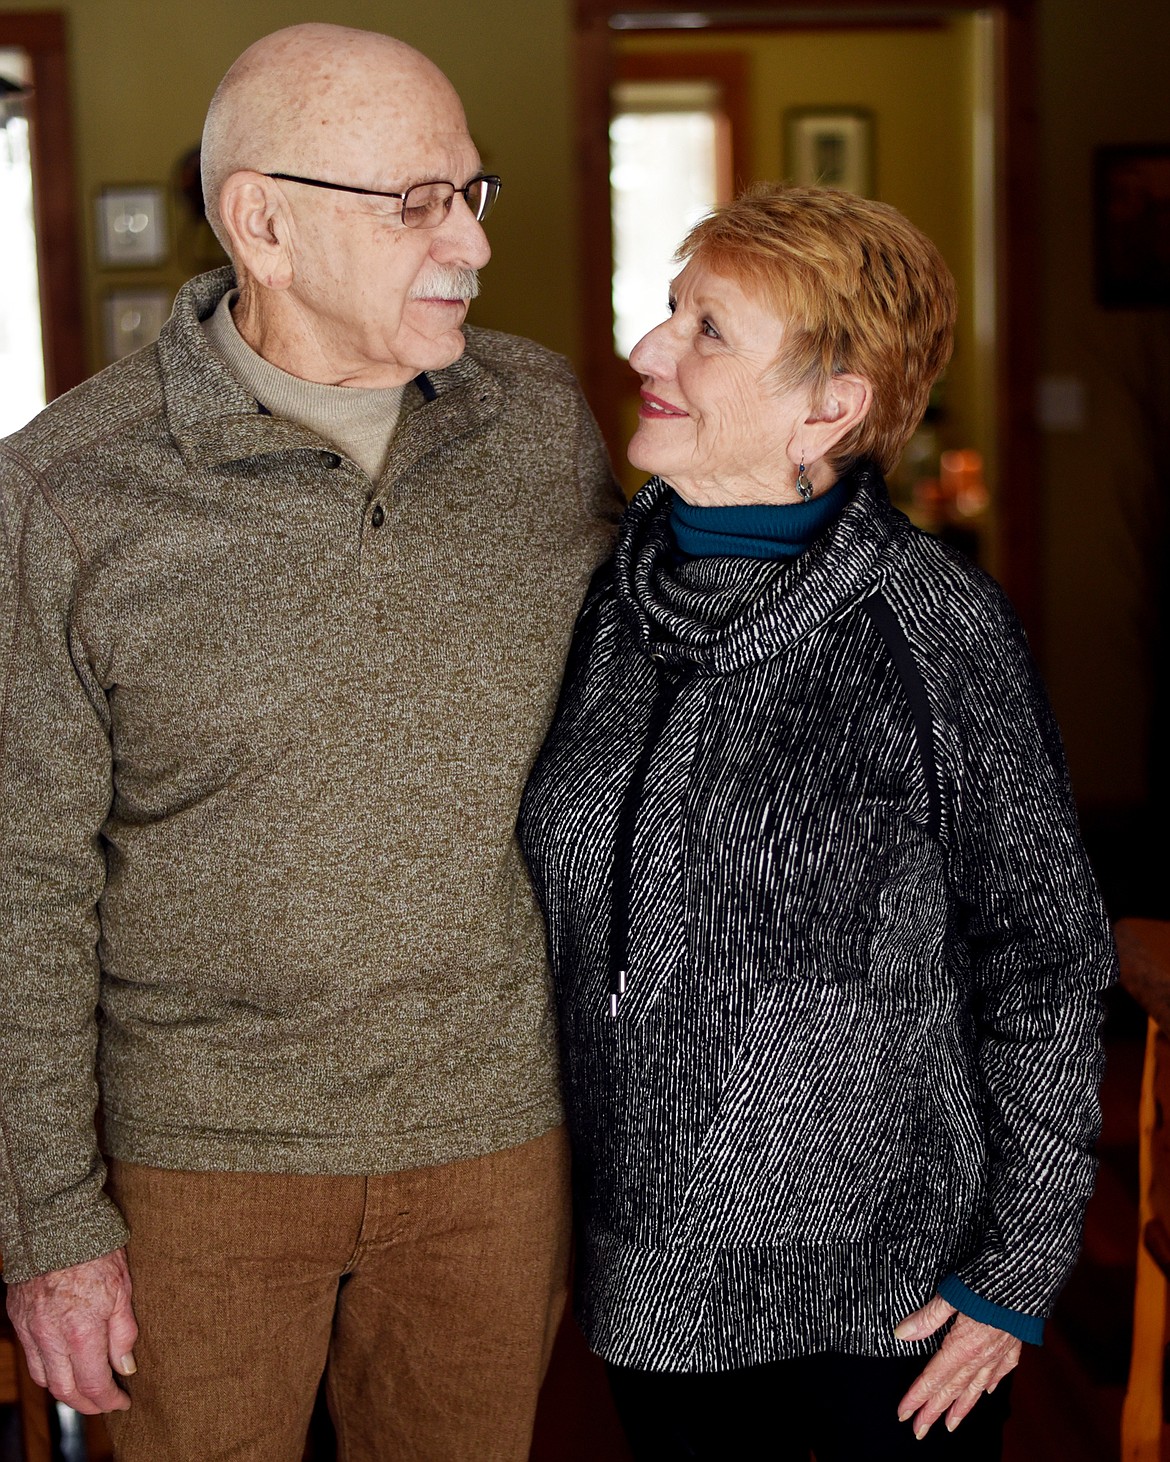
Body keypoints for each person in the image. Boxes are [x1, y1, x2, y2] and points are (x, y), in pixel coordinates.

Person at [0, 22, 617, 1462]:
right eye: (416, 200)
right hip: (198, 1162)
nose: (465, 240)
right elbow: (19, 880)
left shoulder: (539, 422)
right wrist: (47, 1224)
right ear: (260, 223)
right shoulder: (62, 494)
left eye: (473, 192)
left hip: (493, 1138)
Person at [519, 185, 1115, 1460]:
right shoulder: (606, 603)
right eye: (670, 310)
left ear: (830, 407)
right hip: (646, 1286)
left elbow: (1048, 952)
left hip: (880, 1317)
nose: (644, 350)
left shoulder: (928, 628)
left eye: (707, 331)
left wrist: (1018, 1263)